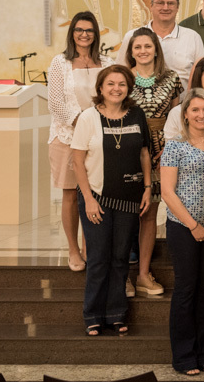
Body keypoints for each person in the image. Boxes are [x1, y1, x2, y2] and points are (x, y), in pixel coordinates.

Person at [72, 65, 152, 336]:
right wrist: (88, 200)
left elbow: (144, 153)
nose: (116, 88)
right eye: (111, 84)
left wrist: (147, 187)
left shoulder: (137, 114)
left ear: (129, 88)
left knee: (120, 259)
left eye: (122, 84)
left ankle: (116, 313)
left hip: (129, 199)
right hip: (96, 198)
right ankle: (92, 314)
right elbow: (77, 162)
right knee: (98, 259)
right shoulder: (88, 117)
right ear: (101, 88)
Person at [160, 89, 204, 375]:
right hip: (183, 227)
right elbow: (167, 193)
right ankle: (184, 356)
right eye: (195, 110)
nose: (201, 115)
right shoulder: (174, 146)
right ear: (185, 113)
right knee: (186, 289)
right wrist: (193, 225)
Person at [48, 11, 114, 273]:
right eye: (79, 29)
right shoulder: (59, 63)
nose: (84, 34)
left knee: (95, 193)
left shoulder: (107, 61)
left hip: (99, 137)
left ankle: (91, 247)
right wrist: (82, 123)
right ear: (72, 32)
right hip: (66, 135)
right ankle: (73, 250)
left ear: (95, 34)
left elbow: (114, 94)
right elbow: (55, 103)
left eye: (89, 30)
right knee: (70, 194)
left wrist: (96, 128)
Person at [126, 26, 184, 297]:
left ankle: (143, 274)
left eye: (147, 46)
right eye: (137, 47)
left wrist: (169, 146)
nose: (143, 51)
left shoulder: (171, 78)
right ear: (131, 51)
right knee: (126, 213)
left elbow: (177, 116)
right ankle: (122, 275)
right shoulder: (123, 78)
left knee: (150, 213)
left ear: (156, 49)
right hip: (129, 148)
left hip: (163, 150)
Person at [119, 0, 204, 87]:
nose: (165, 7)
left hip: (184, 102)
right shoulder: (131, 36)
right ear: (151, 6)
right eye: (160, 3)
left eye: (170, 3)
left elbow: (202, 76)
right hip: (138, 101)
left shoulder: (193, 37)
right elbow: (120, 73)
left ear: (177, 7)